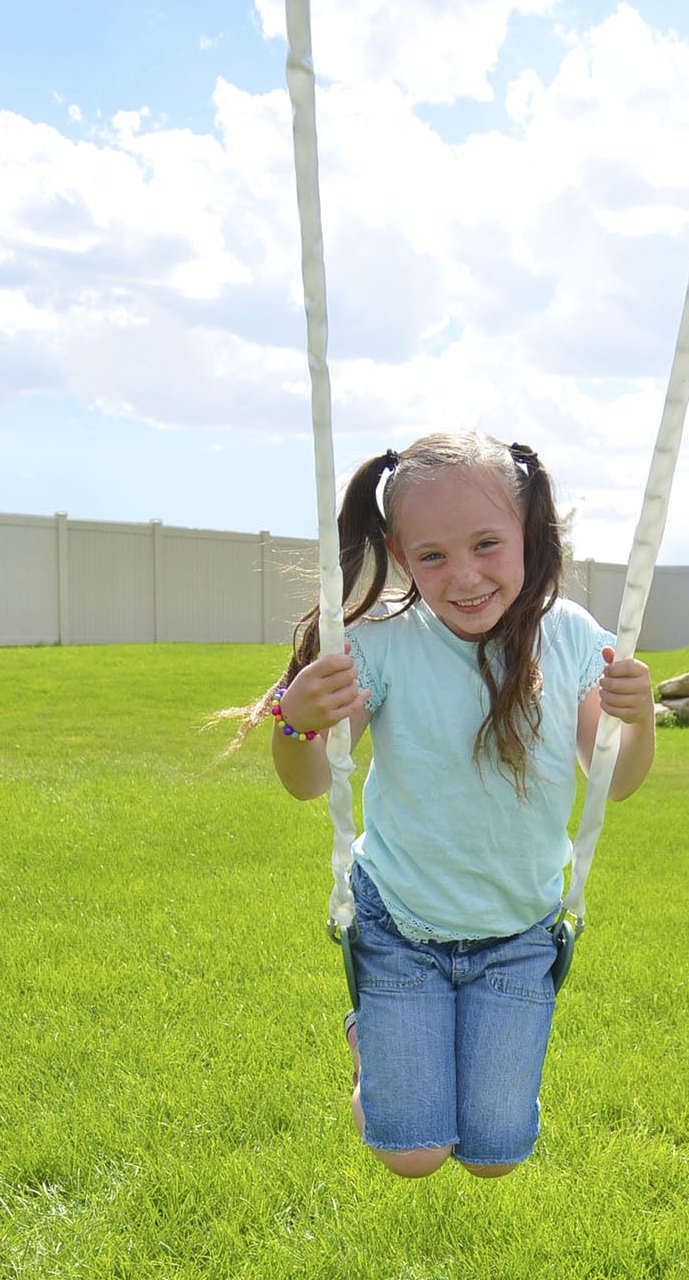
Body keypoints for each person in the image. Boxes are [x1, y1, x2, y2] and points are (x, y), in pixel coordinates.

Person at [268, 430, 655, 1179]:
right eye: (433, 556)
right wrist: (297, 719)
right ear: (398, 551)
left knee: (493, 1158)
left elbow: (620, 778)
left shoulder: (569, 637)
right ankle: (374, 1043)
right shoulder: (377, 643)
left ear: (527, 535)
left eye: (486, 544)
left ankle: (400, 1049)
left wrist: (634, 721)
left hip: (517, 932)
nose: (465, 577)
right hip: (401, 927)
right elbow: (308, 780)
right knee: (412, 1154)